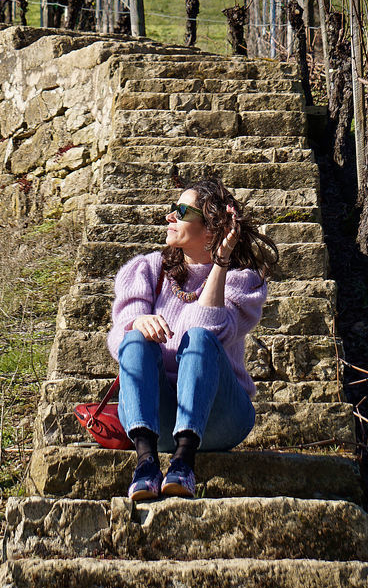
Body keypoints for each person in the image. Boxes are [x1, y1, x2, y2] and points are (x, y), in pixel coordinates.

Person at [107, 177, 279, 501]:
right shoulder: (149, 270)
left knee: (199, 339)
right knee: (134, 337)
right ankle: (146, 464)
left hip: (220, 417)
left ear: (210, 230)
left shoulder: (241, 281)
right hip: (155, 418)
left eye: (181, 211)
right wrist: (138, 321)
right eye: (173, 209)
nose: (169, 216)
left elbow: (207, 330)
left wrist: (221, 261)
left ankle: (184, 463)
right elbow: (119, 341)